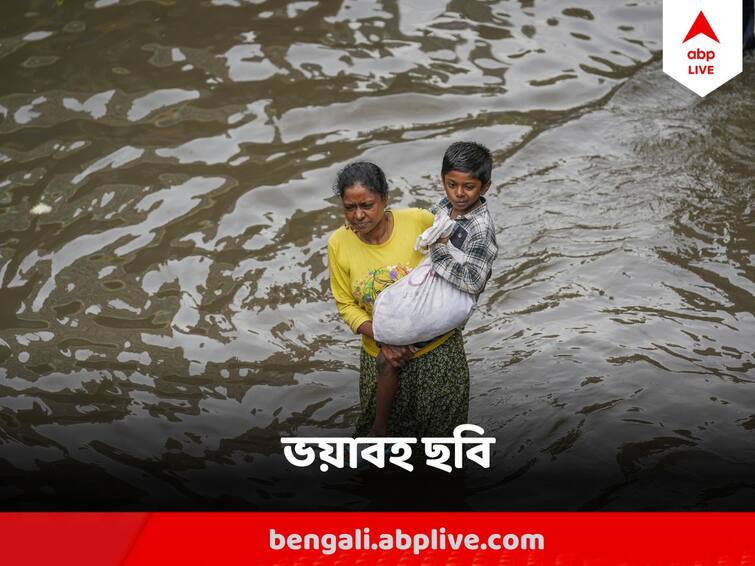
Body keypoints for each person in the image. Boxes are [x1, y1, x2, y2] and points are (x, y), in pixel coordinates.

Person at [327, 161, 471, 438]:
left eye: (367, 205)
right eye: (349, 208)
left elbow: (462, 251)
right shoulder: (338, 243)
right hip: (382, 358)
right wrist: (386, 338)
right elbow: (346, 305)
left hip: (438, 355)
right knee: (380, 445)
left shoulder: (417, 221)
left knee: (443, 448)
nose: (358, 215)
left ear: (385, 199)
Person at [369, 142, 499, 436]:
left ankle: (382, 428)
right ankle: (383, 426)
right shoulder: (443, 207)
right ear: (443, 181)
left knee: (394, 353)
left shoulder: (481, 229)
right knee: (387, 351)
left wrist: (439, 252)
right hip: (432, 286)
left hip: (451, 299)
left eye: (469, 187)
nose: (459, 193)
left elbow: (473, 281)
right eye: (452, 184)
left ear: (485, 187)